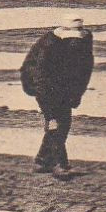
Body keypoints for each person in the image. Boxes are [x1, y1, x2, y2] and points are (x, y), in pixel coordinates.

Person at [19, 15, 94, 175]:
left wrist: (76, 95)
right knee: (56, 124)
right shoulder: (49, 45)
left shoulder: (85, 42)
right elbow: (38, 75)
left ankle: (42, 161)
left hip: (64, 88)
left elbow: (84, 72)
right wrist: (46, 100)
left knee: (62, 124)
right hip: (44, 87)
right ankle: (61, 165)